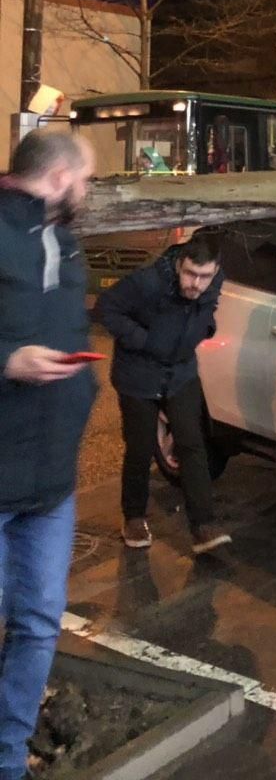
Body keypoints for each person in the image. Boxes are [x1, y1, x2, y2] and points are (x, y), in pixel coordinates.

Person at [0, 130, 97, 780]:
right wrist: (5, 360)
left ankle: (6, 761)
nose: (90, 192)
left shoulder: (66, 240)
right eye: (86, 178)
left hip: (51, 485)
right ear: (60, 176)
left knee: (38, 625)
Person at [93, 232, 231, 557]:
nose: (196, 284)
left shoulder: (214, 280)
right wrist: (143, 340)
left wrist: (205, 327)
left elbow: (207, 307)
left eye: (204, 277)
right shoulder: (148, 282)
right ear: (180, 262)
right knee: (140, 448)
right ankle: (134, 518)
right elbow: (107, 308)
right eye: (190, 274)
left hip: (180, 372)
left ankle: (203, 526)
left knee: (192, 443)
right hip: (138, 375)